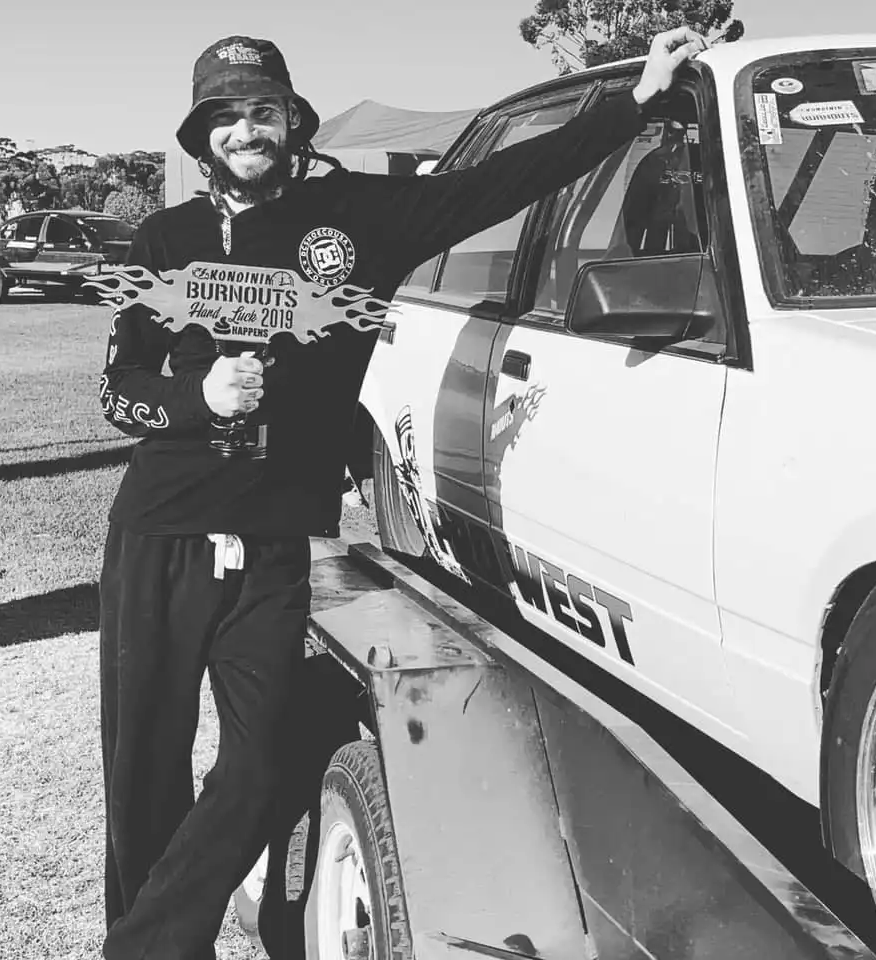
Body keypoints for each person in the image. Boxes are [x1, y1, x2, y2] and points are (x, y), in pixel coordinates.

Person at [98, 25, 706, 960]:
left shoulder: (362, 219)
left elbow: (499, 186)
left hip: (272, 542)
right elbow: (116, 391)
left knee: (263, 764)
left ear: (291, 121)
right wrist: (195, 397)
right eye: (224, 117)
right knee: (143, 773)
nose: (244, 131)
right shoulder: (164, 238)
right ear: (201, 134)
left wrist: (633, 105)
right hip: (160, 534)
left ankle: (139, 944)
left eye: (261, 112)